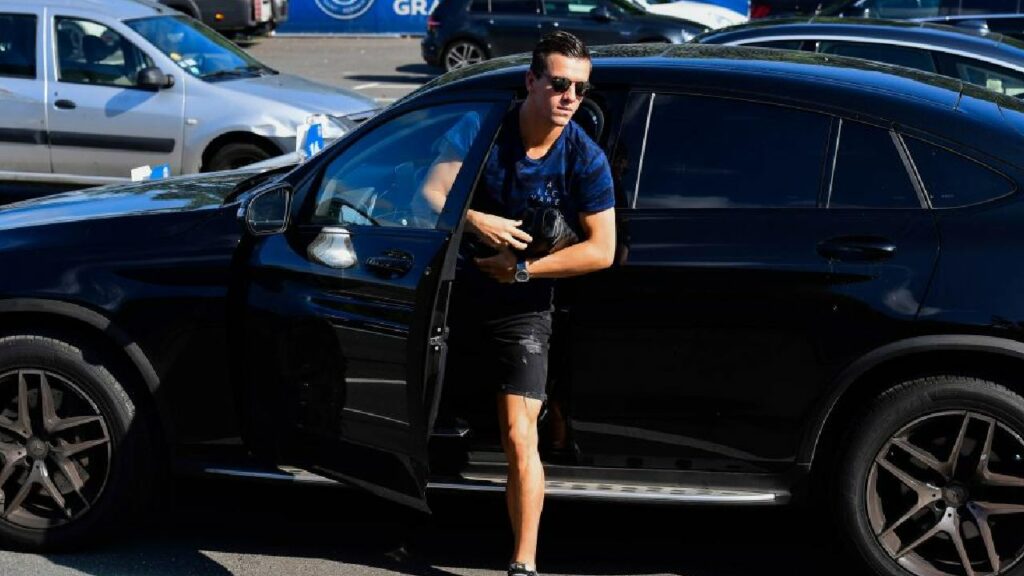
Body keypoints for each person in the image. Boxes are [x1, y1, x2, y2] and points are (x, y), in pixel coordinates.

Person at [421, 31, 616, 576]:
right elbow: (432, 193)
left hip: (524, 304)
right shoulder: (485, 128)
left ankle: (522, 563)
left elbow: (601, 251)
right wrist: (476, 218)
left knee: (516, 433)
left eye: (579, 87)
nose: (569, 97)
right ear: (531, 81)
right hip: (453, 294)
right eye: (558, 83)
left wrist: (522, 268)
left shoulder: (584, 156)